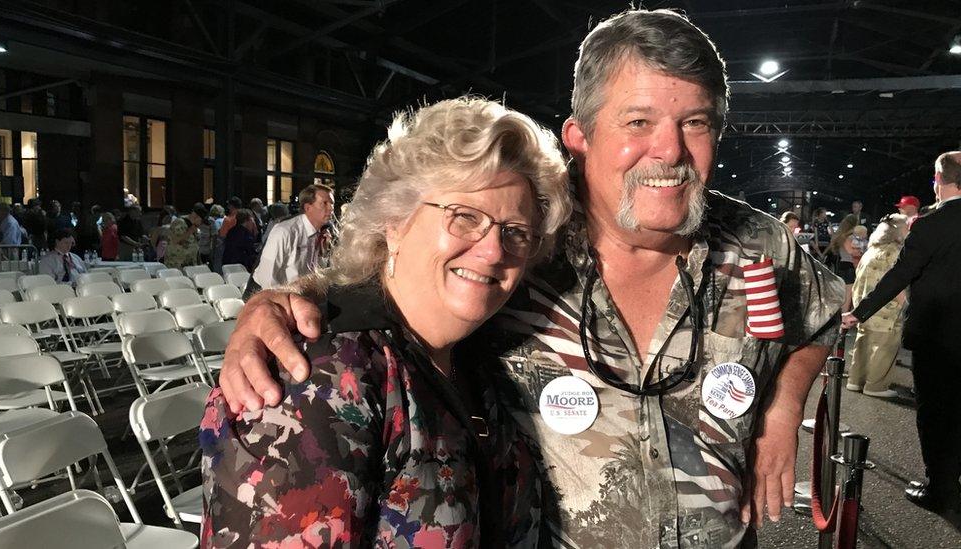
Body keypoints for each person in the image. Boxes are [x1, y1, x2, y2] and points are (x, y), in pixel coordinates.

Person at [215, 9, 845, 546]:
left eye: (696, 123)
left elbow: (823, 314)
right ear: (578, 135)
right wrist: (278, 305)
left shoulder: (758, 243)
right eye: (638, 122)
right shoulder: (527, 238)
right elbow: (388, 285)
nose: (670, 150)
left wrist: (782, 408)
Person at [200, 97, 570, 548]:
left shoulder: (479, 355)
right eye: (465, 217)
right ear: (395, 221)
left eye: (515, 232)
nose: (493, 251)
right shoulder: (316, 378)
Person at [843, 151, 961, 517]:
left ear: (938, 182)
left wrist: (857, 313)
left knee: (935, 413)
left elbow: (898, 276)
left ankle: (940, 489)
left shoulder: (929, 226)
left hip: (936, 337)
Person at [846, 214, 908, 398]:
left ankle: (855, 381)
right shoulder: (895, 252)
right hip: (885, 309)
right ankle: (876, 386)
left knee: (863, 343)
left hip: (865, 306)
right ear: (897, 232)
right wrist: (907, 305)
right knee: (884, 347)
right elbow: (895, 283)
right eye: (906, 228)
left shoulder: (872, 250)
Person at [251, 184, 333, 289]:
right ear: (308, 207)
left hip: (299, 294)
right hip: (269, 296)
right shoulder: (285, 231)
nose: (331, 208)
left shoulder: (322, 233)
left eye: (332, 203)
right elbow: (267, 279)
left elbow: (313, 272)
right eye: (324, 203)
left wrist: (323, 252)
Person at [826, 214, 861, 311]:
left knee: (842, 295)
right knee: (847, 296)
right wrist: (860, 251)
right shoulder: (849, 237)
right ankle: (843, 319)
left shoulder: (841, 236)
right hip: (848, 267)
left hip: (841, 266)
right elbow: (851, 252)